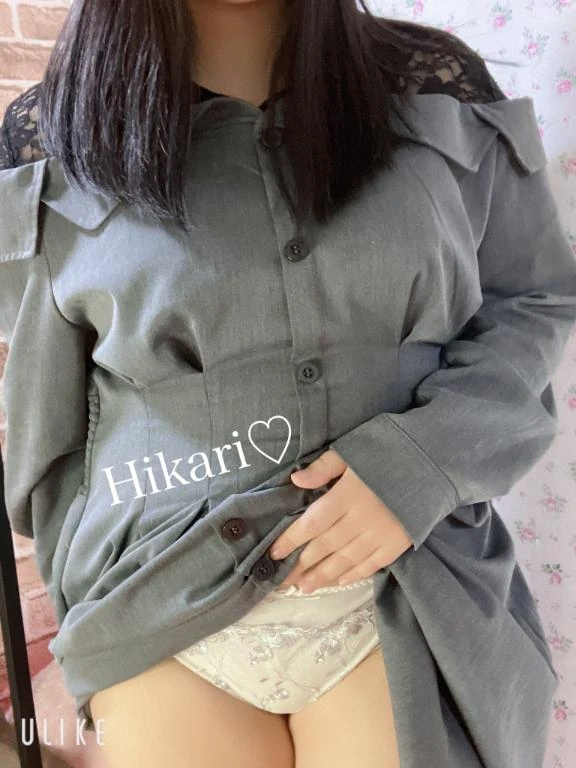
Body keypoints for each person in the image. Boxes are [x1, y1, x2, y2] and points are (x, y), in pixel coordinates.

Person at [1, 1, 575, 766]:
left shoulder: (435, 82)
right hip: (153, 604)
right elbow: (48, 408)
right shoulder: (50, 133)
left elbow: (532, 298)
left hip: (406, 581)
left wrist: (423, 462)